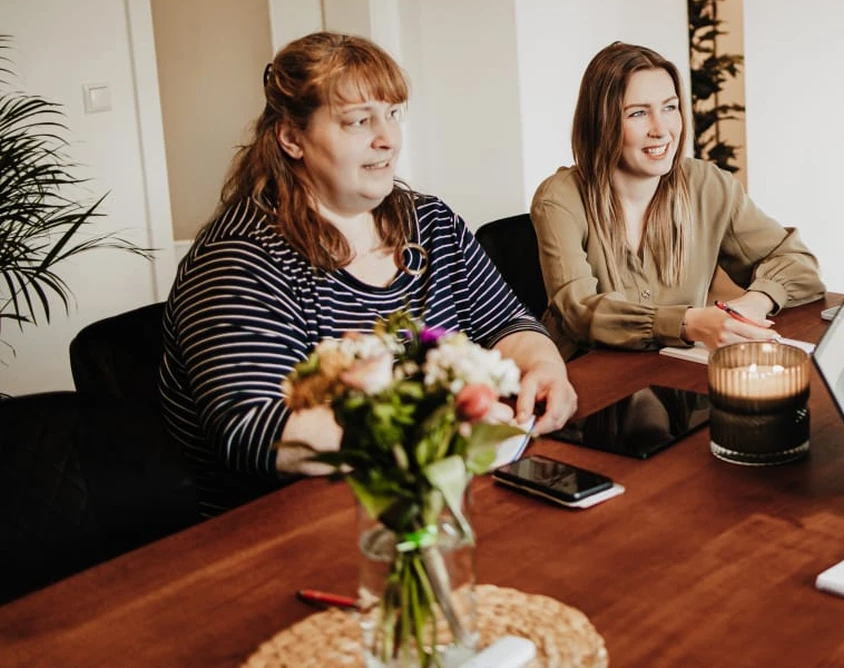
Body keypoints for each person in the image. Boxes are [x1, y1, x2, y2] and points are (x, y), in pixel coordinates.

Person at [159, 32, 577, 515]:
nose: (387, 138)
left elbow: (508, 325)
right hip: (288, 531)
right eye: (359, 121)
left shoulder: (431, 222)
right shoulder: (239, 260)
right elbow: (255, 431)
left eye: (393, 114)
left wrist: (546, 370)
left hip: (429, 498)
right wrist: (434, 430)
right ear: (292, 138)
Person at [531, 42, 824, 356]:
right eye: (638, 113)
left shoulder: (707, 184)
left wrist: (754, 303)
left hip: (676, 373)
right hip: (593, 382)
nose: (662, 129)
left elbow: (798, 264)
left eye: (670, 107)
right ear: (601, 122)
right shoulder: (559, 199)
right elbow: (579, 311)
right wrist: (688, 323)